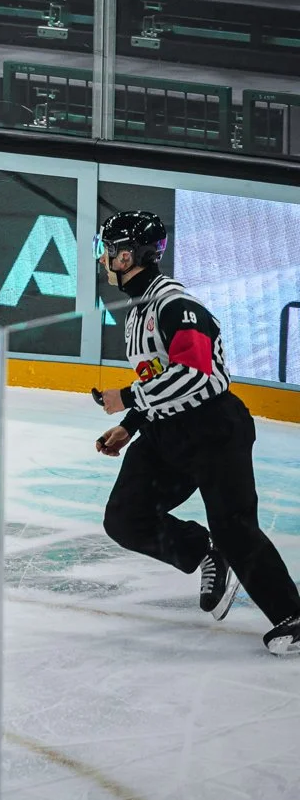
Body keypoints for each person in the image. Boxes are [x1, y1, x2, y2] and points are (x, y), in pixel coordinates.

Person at [91, 210, 300, 656]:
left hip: (214, 430)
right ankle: (204, 553)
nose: (103, 259)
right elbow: (159, 380)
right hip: (166, 432)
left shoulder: (174, 306)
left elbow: (197, 375)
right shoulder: (139, 311)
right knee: (125, 518)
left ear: (127, 256)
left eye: (107, 251)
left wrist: (127, 398)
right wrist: (130, 425)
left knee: (233, 527)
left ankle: (293, 616)